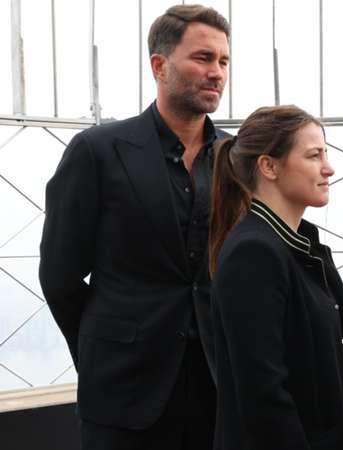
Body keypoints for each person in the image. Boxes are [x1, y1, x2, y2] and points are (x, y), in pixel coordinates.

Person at [39, 4, 230, 449]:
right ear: (159, 65)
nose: (216, 72)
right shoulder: (98, 150)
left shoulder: (232, 158)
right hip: (122, 392)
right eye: (202, 58)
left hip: (216, 388)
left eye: (223, 61)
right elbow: (59, 275)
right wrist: (102, 347)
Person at [208, 105, 343, 450]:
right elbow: (263, 396)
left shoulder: (297, 247)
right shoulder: (255, 253)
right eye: (314, 155)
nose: (329, 168)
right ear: (269, 166)